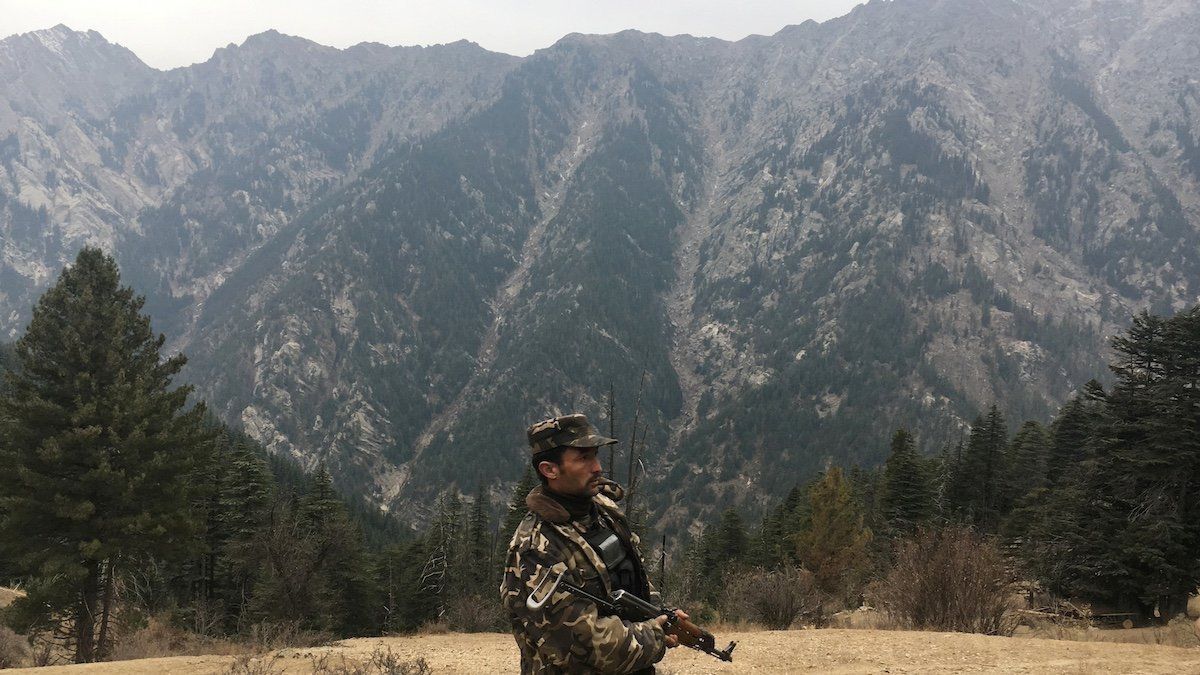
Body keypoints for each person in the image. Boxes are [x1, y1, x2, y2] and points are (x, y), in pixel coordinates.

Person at [500, 413, 683, 674]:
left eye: (595, 455)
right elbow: (580, 645)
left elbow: (631, 575)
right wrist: (655, 634)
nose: (597, 467)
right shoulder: (535, 549)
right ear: (549, 470)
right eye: (583, 458)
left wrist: (659, 613)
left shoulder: (603, 510)